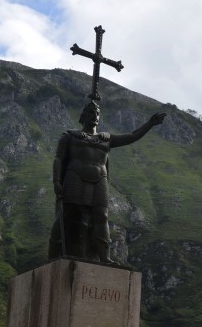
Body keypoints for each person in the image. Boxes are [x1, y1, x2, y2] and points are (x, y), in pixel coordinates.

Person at [48, 99, 166, 263]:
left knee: (101, 216)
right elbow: (59, 159)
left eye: (97, 113)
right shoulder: (70, 135)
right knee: (68, 215)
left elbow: (132, 136)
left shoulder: (106, 139)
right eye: (91, 112)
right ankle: (54, 251)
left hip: (99, 180)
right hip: (75, 176)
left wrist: (150, 124)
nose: (94, 116)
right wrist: (56, 181)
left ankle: (104, 256)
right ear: (83, 116)